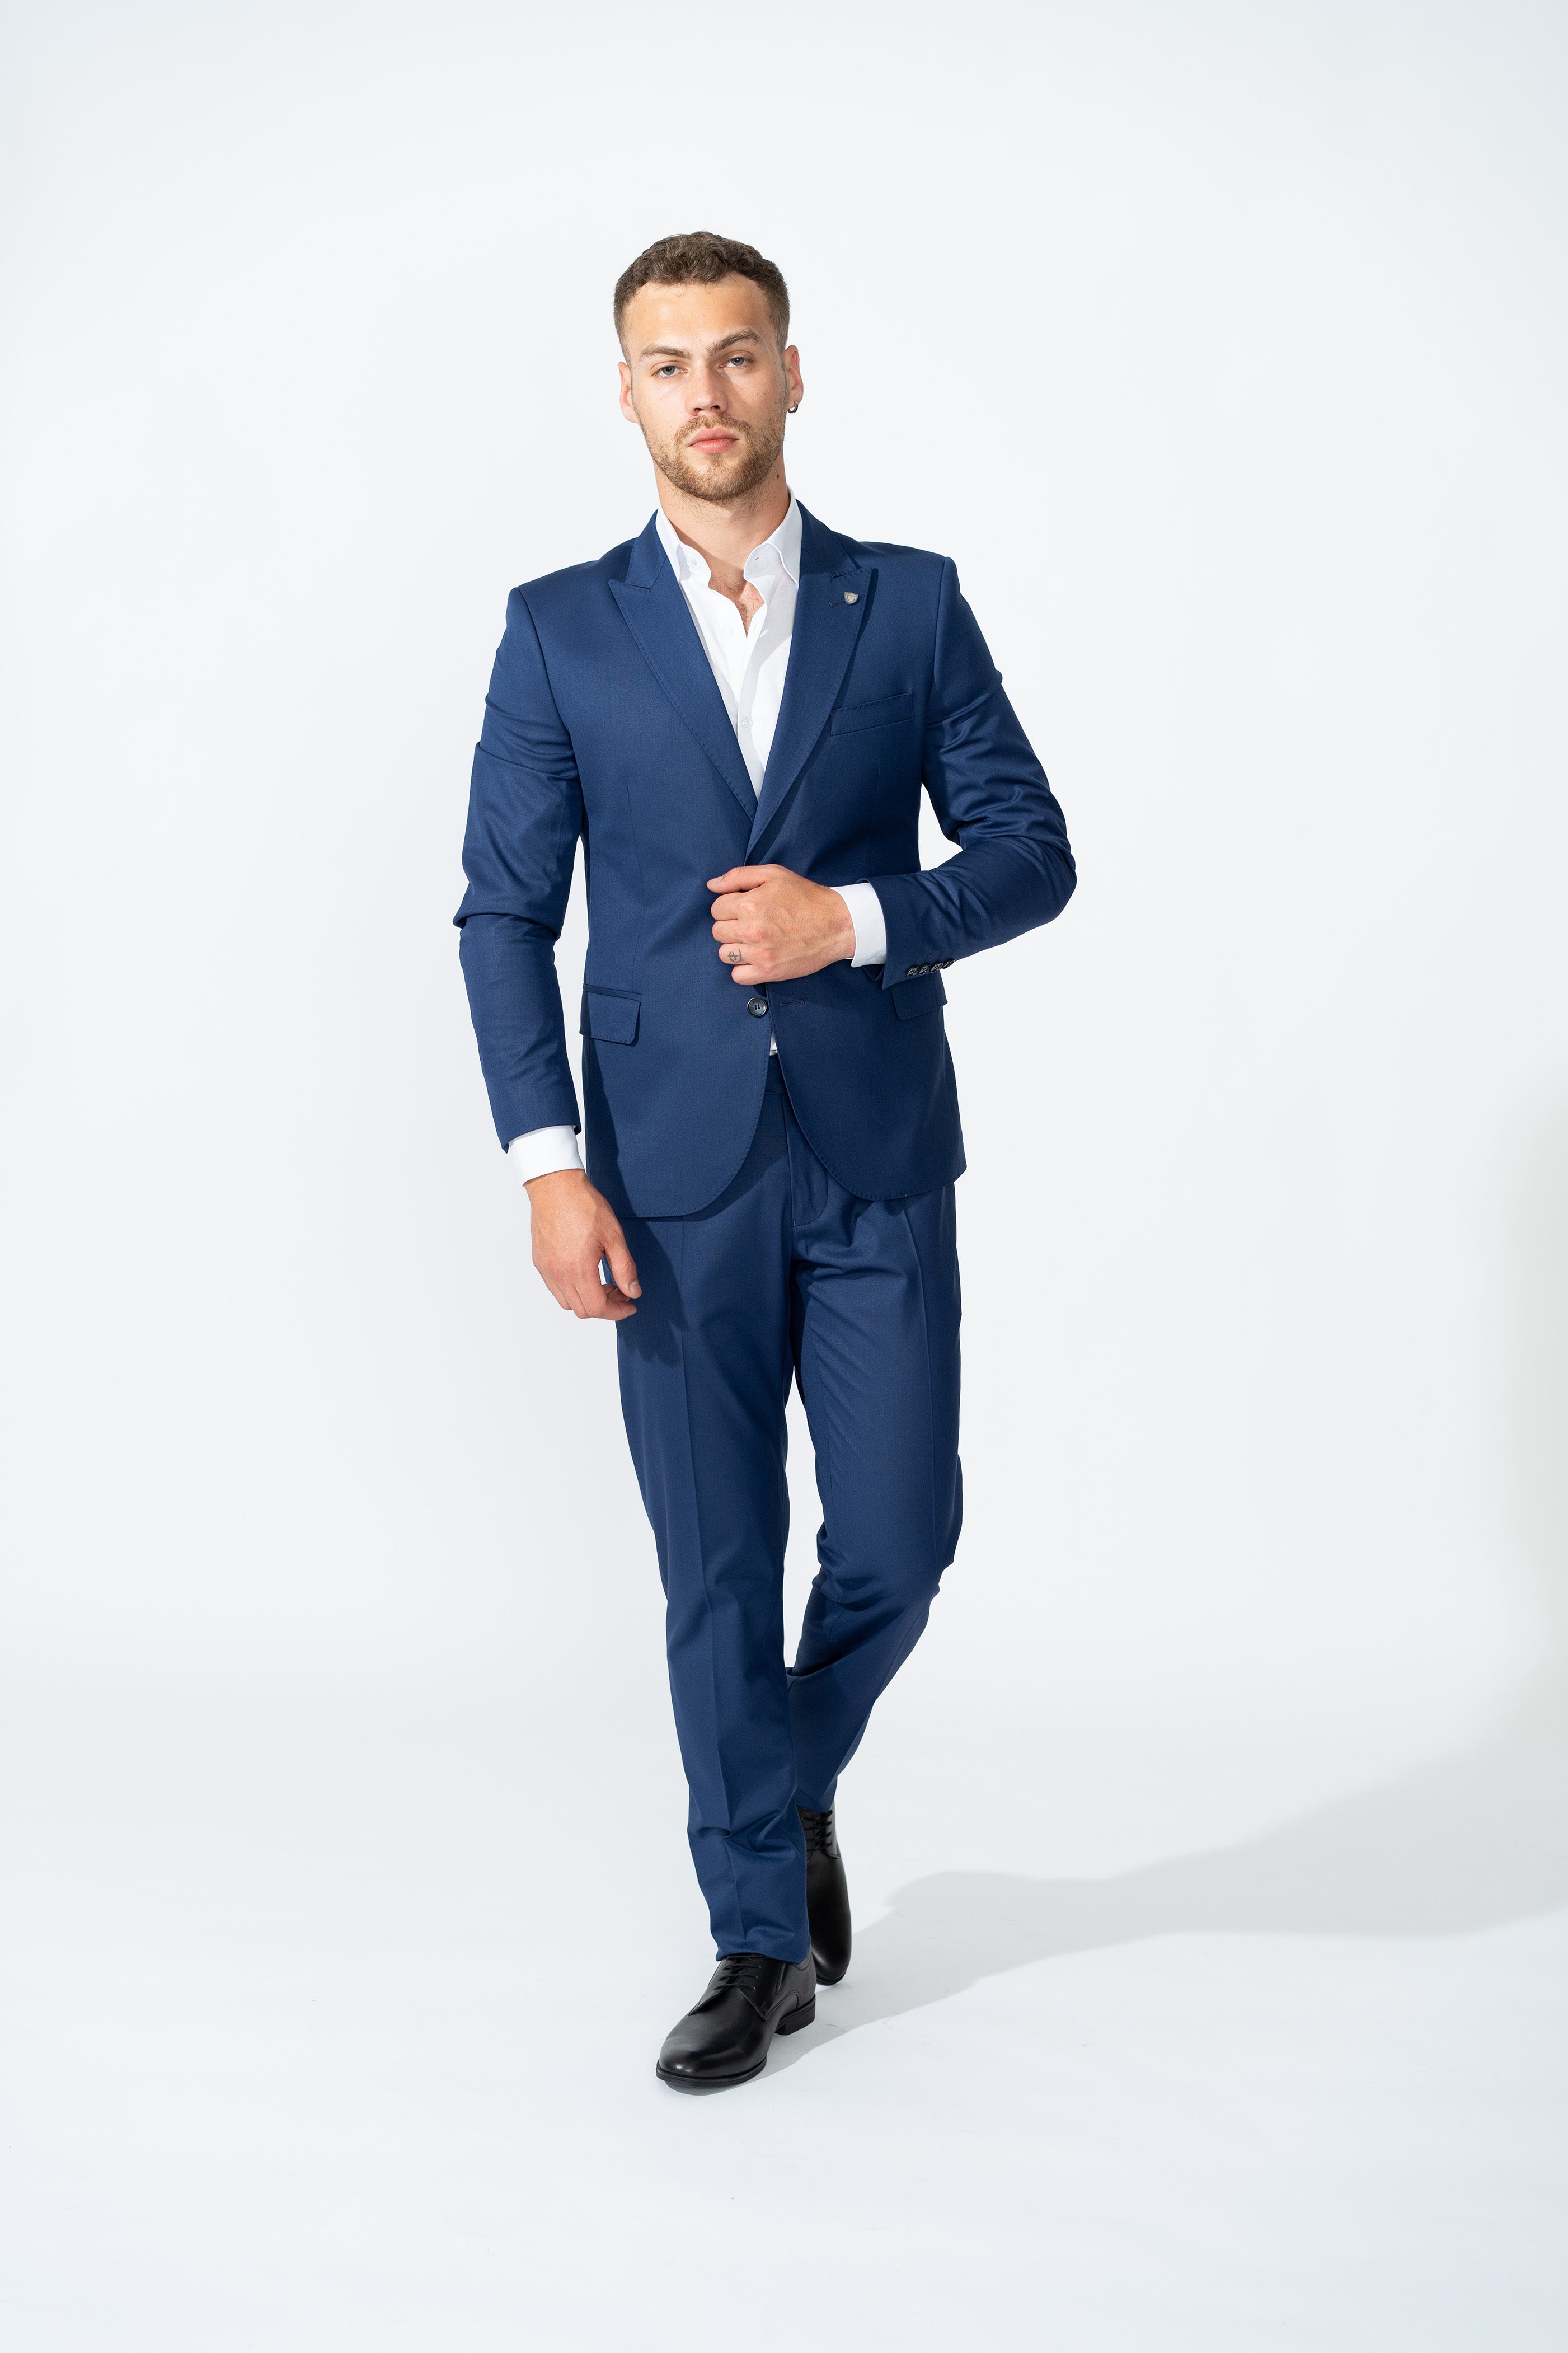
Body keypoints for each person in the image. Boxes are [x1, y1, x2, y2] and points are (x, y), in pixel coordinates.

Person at [456, 231, 1075, 2090]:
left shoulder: (911, 603)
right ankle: (752, 1936)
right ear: (625, 392)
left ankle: (780, 1779)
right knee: (716, 1562)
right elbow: (503, 913)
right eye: (668, 363)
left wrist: (857, 921)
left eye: (736, 355)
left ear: (791, 374)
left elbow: (1030, 847)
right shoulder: (558, 628)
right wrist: (545, 1162)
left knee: (897, 1535)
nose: (705, 393)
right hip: (660, 1171)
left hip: (874, 1144)